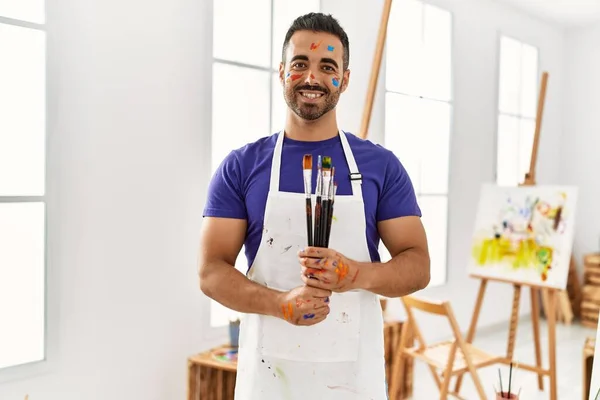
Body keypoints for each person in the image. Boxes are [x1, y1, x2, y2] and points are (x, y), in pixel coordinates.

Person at [198, 12, 430, 400]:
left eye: (327, 66)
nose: (312, 78)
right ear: (282, 70)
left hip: (353, 378)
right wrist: (279, 304)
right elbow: (209, 272)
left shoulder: (380, 166)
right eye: (300, 64)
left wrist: (354, 275)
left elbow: (418, 266)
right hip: (269, 377)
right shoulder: (241, 166)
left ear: (346, 78)